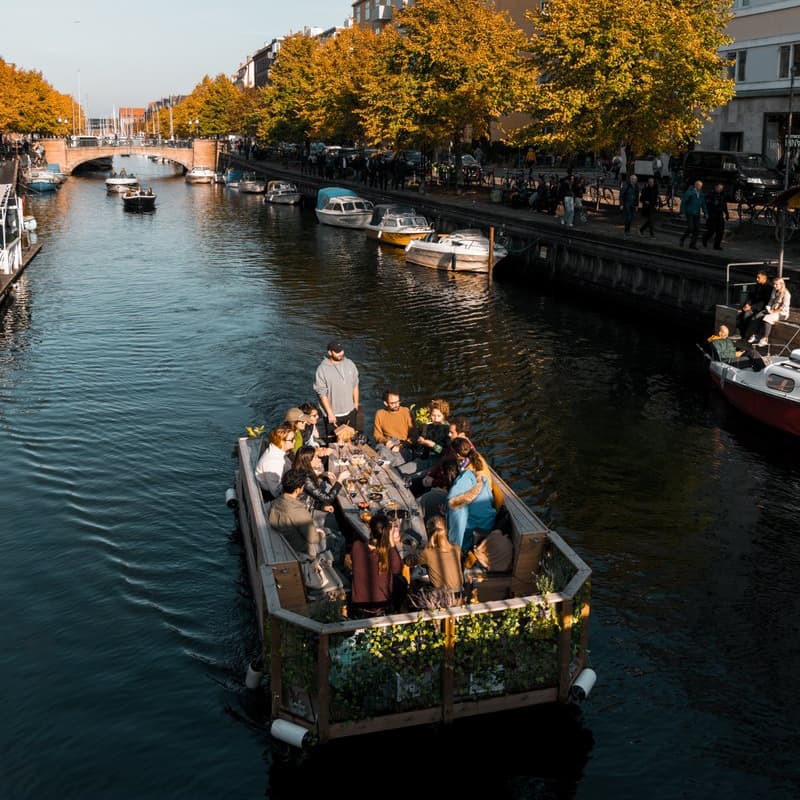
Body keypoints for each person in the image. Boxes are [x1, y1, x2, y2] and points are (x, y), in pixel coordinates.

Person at [268, 469, 338, 561]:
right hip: (303, 549)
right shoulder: (299, 511)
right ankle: (338, 568)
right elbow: (313, 539)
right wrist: (321, 535)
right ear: (297, 490)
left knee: (329, 530)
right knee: (337, 539)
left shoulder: (275, 502)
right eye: (302, 487)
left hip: (288, 540)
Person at [445, 438, 496, 556]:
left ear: (457, 455)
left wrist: (455, 548)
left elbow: (457, 518)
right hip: (489, 516)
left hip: (478, 527)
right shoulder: (476, 457)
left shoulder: (466, 475)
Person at [349, 512, 406, 616]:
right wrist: (392, 542)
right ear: (388, 532)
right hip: (382, 605)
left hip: (359, 604)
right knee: (402, 581)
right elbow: (398, 569)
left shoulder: (357, 546)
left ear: (370, 530)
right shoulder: (388, 553)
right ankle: (398, 610)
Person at [292, 445, 350, 528]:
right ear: (308, 461)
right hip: (304, 517)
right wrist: (340, 480)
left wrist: (322, 507)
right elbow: (327, 499)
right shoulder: (306, 478)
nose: (319, 459)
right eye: (316, 457)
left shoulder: (303, 472)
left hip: (310, 508)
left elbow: (307, 498)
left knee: (337, 510)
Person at [313, 340, 359, 441]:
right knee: (334, 442)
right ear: (330, 352)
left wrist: (355, 404)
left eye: (341, 350)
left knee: (352, 439)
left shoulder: (350, 364)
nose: (341, 353)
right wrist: (330, 413)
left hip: (350, 412)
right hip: (334, 415)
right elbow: (322, 394)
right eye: (337, 351)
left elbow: (355, 385)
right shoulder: (322, 369)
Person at [405, 515, 463, 593]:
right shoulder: (456, 549)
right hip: (460, 593)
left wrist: (411, 549)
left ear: (428, 531)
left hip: (442, 596)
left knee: (414, 585)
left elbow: (409, 561)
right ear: (445, 530)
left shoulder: (428, 553)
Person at [373, 389, 418, 465]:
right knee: (381, 454)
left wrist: (400, 446)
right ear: (385, 403)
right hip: (387, 443)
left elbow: (414, 436)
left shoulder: (406, 412)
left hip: (403, 443)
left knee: (397, 460)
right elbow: (377, 435)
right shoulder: (379, 413)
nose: (397, 405)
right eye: (393, 403)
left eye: (398, 401)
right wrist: (385, 441)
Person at [255, 425, 295, 499]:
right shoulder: (273, 462)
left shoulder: (280, 452)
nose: (294, 441)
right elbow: (277, 492)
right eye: (292, 439)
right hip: (271, 497)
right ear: (282, 442)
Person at [750, 277, 791, 347]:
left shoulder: (786, 294)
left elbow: (783, 308)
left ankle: (765, 339)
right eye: (774, 284)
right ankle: (756, 335)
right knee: (757, 316)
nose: (774, 286)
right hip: (772, 310)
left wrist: (773, 312)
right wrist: (768, 307)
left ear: (781, 284)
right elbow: (771, 301)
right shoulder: (774, 290)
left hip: (782, 313)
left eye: (776, 284)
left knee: (767, 318)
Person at [737, 270, 772, 342]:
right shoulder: (757, 285)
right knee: (739, 313)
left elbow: (764, 302)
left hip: (760, 307)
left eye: (759, 278)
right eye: (757, 277)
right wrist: (747, 304)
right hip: (753, 305)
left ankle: (745, 335)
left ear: (764, 278)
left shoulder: (769, 287)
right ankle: (739, 333)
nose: (757, 279)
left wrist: (751, 307)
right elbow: (752, 296)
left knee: (747, 315)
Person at [679, 180, 707, 249]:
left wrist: (705, 212)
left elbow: (703, 204)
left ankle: (692, 244)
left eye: (701, 186)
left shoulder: (701, 194)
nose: (700, 187)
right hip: (690, 213)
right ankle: (682, 239)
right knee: (691, 228)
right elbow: (683, 202)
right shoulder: (690, 192)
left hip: (697, 214)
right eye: (699, 186)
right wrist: (682, 212)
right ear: (696, 185)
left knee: (697, 229)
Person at [702, 183, 729, 250]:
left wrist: (727, 214)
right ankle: (705, 239)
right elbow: (706, 203)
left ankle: (716, 245)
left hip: (720, 215)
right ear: (716, 187)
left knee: (720, 232)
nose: (720, 190)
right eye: (719, 188)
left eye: (721, 189)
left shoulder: (723, 195)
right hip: (712, 215)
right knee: (711, 230)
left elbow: (724, 205)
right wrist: (711, 204)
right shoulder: (711, 194)